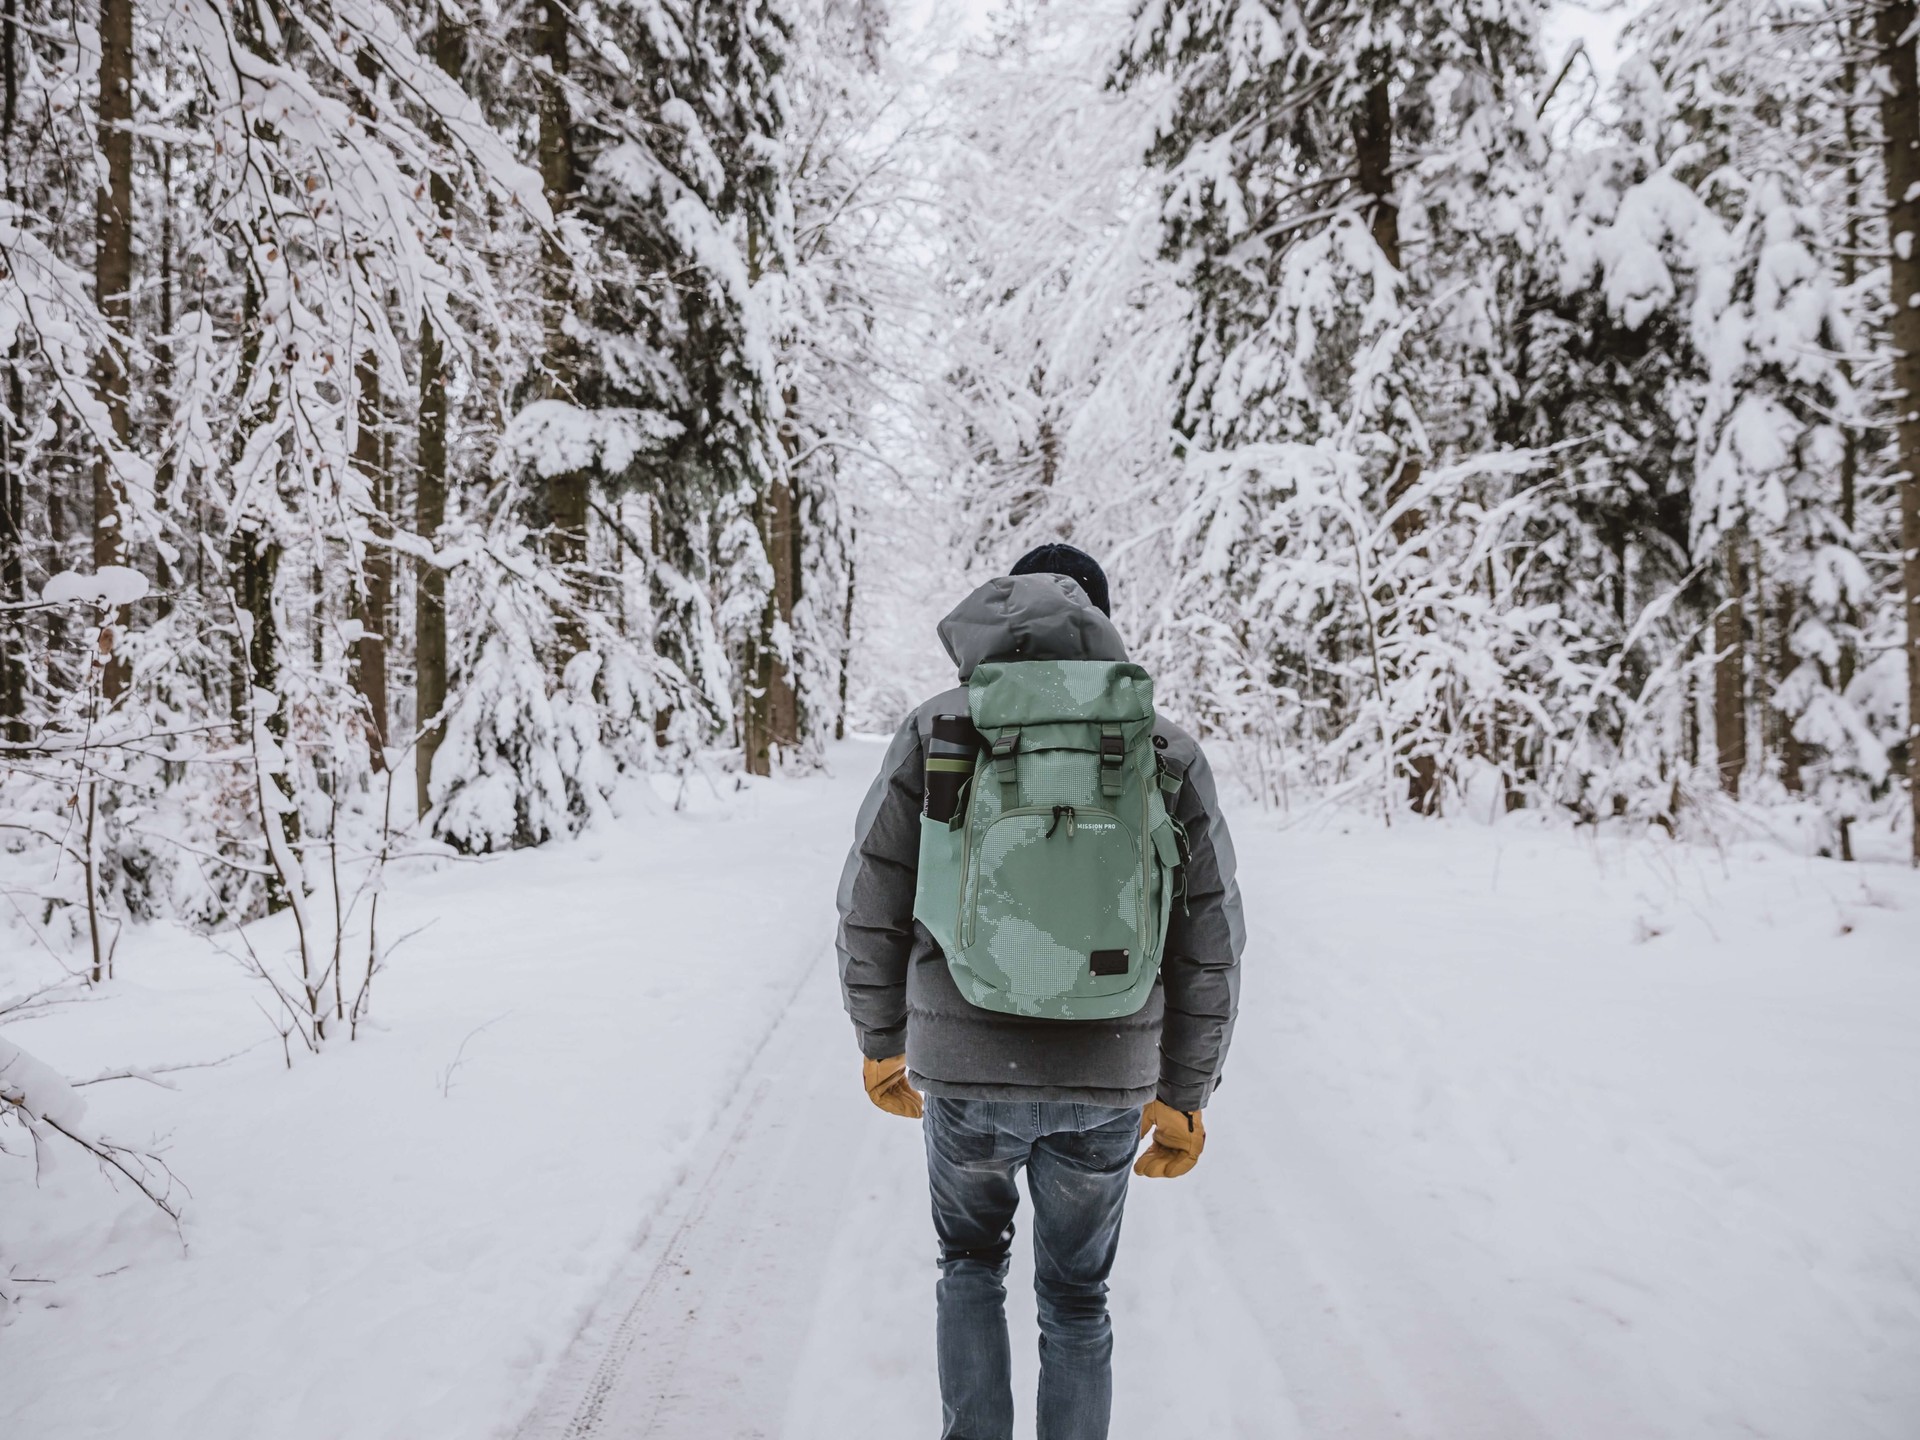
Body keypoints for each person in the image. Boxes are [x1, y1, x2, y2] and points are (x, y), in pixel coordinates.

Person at [835, 543, 1245, 1440]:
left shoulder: (940, 729)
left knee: (971, 1265)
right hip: (1107, 1073)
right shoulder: (1159, 747)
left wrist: (881, 1041)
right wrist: (1184, 1093)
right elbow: (1207, 944)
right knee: (1077, 1296)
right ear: (1101, 624)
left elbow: (870, 898)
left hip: (966, 1066)